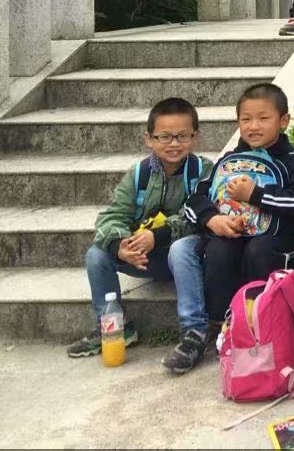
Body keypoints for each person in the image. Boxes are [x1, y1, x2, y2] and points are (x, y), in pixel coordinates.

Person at [67, 98, 213, 375]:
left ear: (195, 137)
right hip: (145, 257)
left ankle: (194, 332)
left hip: (187, 257)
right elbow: (112, 216)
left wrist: (157, 236)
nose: (174, 144)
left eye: (183, 136)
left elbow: (198, 216)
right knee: (97, 254)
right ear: (149, 139)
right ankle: (114, 327)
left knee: (182, 247)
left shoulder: (203, 172)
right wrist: (120, 245)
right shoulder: (139, 175)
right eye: (164, 137)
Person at [183, 83, 294, 327]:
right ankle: (225, 324)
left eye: (263, 118)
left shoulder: (293, 162)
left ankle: (265, 320)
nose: (253, 126)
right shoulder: (228, 161)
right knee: (218, 249)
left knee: (259, 250)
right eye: (246, 119)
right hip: (231, 234)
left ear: (283, 121)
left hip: (274, 240)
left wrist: (255, 194)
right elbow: (194, 199)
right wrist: (212, 219)